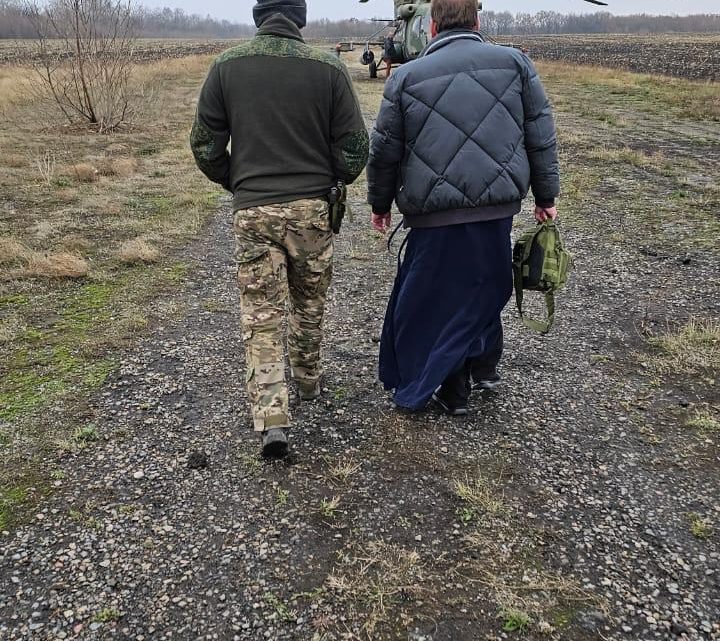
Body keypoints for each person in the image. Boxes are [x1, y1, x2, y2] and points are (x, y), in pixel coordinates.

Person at [190, 0, 369, 457]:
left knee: (260, 315)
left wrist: (237, 180)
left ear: (258, 16)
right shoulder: (328, 68)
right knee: (310, 301)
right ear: (300, 18)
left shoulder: (226, 67)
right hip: (312, 212)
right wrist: (325, 180)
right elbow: (354, 149)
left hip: (254, 212)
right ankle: (307, 381)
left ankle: (272, 417)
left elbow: (205, 144)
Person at [367, 0, 559, 416]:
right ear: (477, 21)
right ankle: (484, 365)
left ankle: (453, 385)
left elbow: (384, 152)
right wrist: (546, 197)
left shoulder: (407, 77)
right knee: (484, 281)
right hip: (496, 208)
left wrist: (379, 205)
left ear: (433, 27)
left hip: (433, 216)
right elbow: (540, 134)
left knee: (433, 299)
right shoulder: (515, 64)